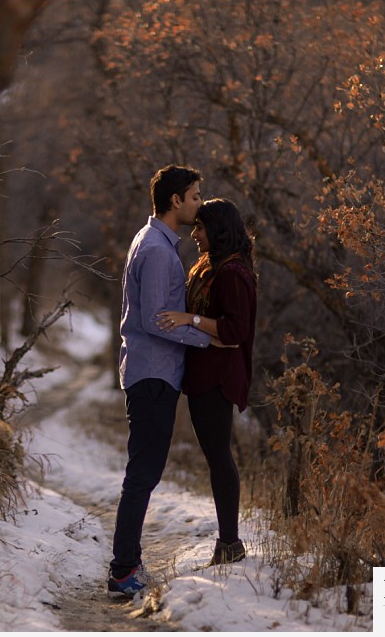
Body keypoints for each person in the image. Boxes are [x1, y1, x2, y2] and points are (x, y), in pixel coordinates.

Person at [108, 164, 221, 599]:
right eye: (194, 196)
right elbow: (159, 322)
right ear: (176, 201)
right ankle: (122, 572)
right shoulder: (156, 249)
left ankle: (127, 564)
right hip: (153, 372)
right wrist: (208, 339)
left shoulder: (151, 240)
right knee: (143, 474)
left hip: (151, 371)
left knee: (144, 472)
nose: (197, 204)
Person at [156, 197, 257, 567]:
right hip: (202, 375)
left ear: (218, 230)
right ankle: (228, 542)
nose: (194, 234)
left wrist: (189, 320)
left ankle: (230, 543)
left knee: (219, 458)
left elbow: (234, 332)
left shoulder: (233, 273)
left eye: (200, 228)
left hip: (218, 378)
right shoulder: (211, 266)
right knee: (216, 456)